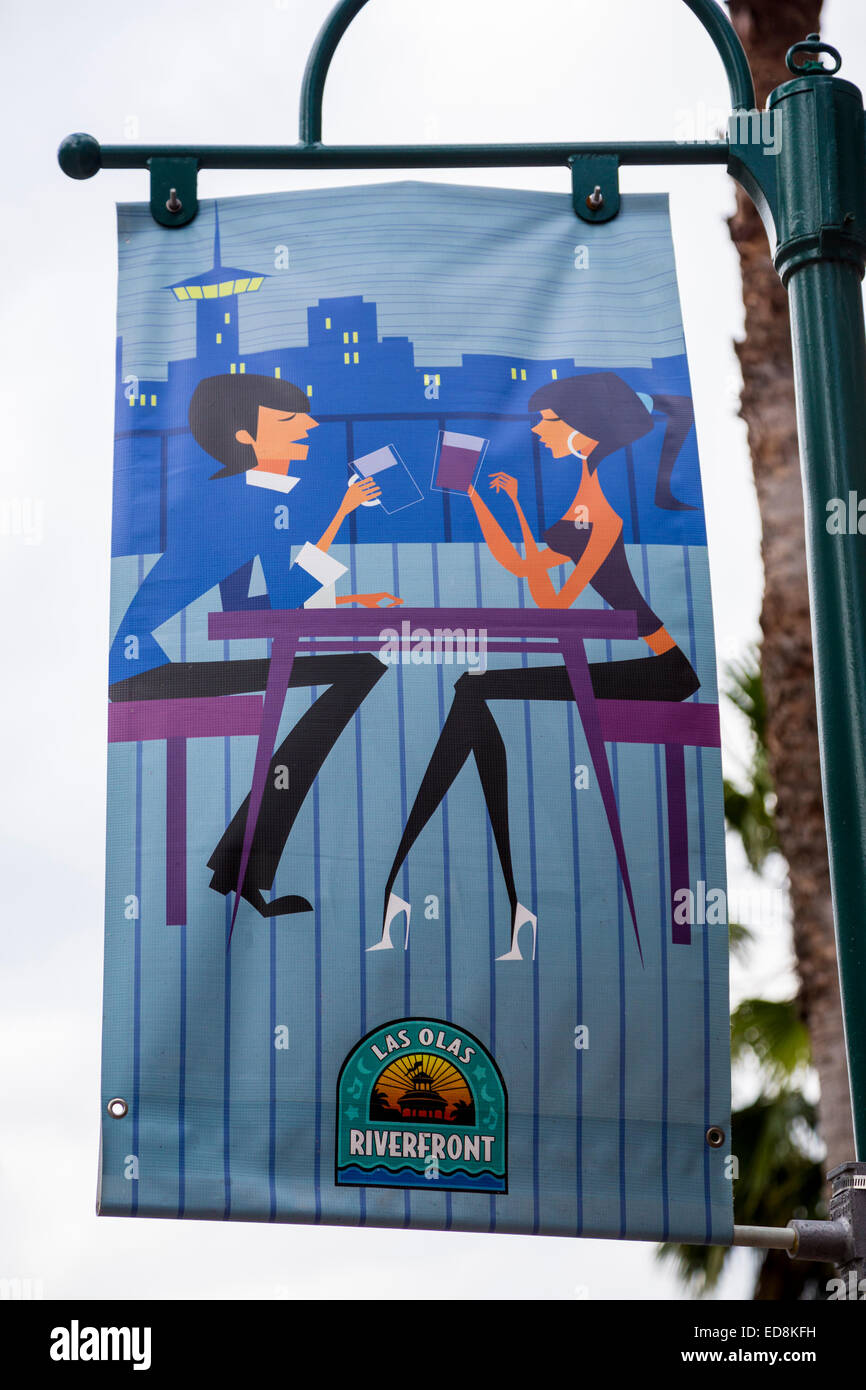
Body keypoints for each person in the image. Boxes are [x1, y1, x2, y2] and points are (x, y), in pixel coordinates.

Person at [372, 372, 699, 961]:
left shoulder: (603, 503)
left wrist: (520, 517)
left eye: (547, 422)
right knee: (474, 693)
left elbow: (553, 602)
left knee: (474, 692)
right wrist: (484, 499)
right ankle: (494, 897)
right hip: (647, 660)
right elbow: (524, 568)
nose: (538, 432)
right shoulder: (586, 489)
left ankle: (417, 879)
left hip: (665, 670)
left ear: (581, 429)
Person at [109, 372, 400, 919]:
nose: (310, 427)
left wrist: (350, 599)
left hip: (157, 663)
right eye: (291, 421)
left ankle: (239, 867)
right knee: (359, 670)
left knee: (357, 669)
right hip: (144, 671)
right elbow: (285, 601)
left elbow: (246, 610)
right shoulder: (248, 500)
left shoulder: (246, 497)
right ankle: (241, 866)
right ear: (245, 437)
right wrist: (342, 510)